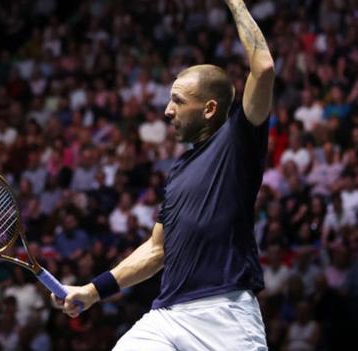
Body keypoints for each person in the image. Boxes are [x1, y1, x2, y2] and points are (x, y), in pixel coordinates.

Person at [52, 1, 275, 349]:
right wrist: (94, 291)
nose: (167, 110)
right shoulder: (178, 172)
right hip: (168, 315)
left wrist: (235, 3)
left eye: (178, 100)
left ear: (209, 108)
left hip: (225, 315)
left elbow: (262, 68)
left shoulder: (238, 141)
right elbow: (157, 250)